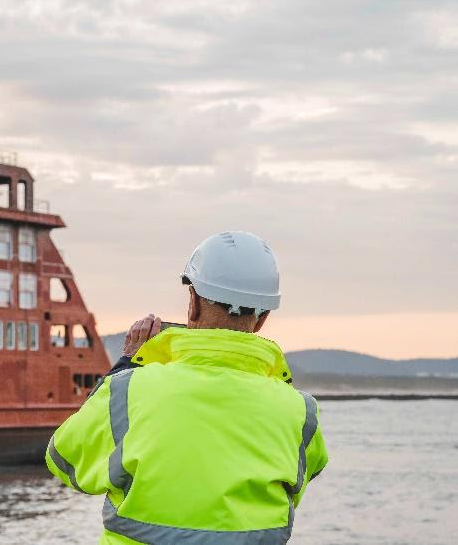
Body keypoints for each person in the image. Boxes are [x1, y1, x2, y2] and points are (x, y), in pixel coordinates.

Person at [46, 231, 328, 544]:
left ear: (192, 303)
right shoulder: (300, 411)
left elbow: (65, 459)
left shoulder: (130, 391)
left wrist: (128, 365)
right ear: (262, 319)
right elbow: (294, 484)